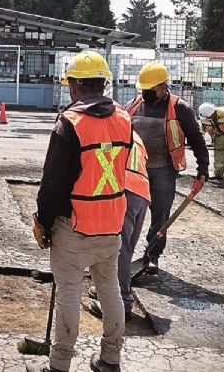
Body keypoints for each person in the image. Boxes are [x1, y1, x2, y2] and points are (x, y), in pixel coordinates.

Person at [30, 51, 130, 372]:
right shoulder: (125, 119)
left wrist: (41, 221)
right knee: (110, 288)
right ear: (103, 84)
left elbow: (53, 182)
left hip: (75, 226)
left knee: (69, 293)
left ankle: (59, 365)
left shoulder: (70, 123)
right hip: (112, 222)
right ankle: (110, 359)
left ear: (73, 87)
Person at [125, 62, 208, 277]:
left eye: (150, 89)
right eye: (143, 89)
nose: (145, 94)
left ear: (163, 86)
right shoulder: (133, 105)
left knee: (160, 216)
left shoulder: (179, 108)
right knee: (127, 215)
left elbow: (197, 140)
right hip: (135, 172)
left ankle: (152, 256)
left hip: (163, 171)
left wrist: (203, 169)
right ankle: (121, 256)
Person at [89, 130, 150, 323]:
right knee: (125, 249)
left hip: (121, 192)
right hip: (141, 193)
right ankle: (105, 290)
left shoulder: (108, 134)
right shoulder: (136, 137)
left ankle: (122, 302)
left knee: (117, 251)